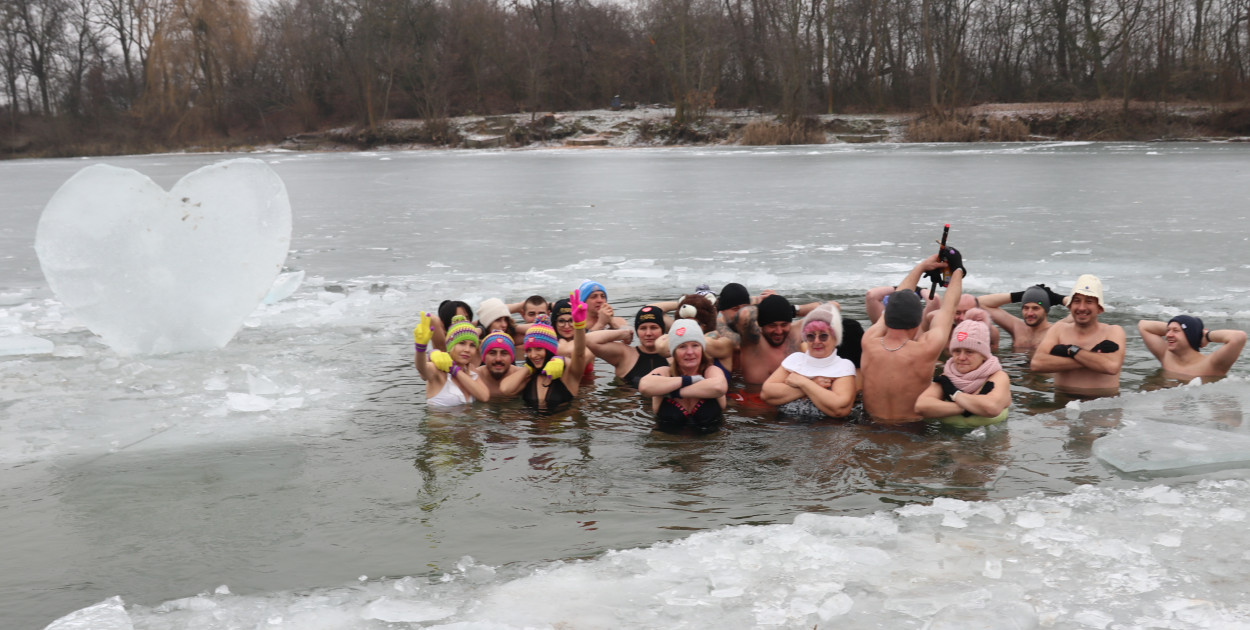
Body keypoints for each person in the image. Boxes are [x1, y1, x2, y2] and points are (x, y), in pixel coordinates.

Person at [860, 250, 964, 422]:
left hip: (869, 427)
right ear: (917, 322)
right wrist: (958, 269)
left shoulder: (869, 341)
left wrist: (921, 267)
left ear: (886, 317)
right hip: (912, 431)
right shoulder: (925, 348)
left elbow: (897, 298)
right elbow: (949, 307)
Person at [1030, 274, 1126, 397]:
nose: (1081, 307)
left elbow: (1111, 367)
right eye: (1077, 301)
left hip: (1103, 403)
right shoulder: (1058, 329)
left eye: (1089, 301)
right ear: (1070, 306)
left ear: (1100, 308)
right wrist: (1092, 355)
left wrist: (1071, 350)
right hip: (1063, 402)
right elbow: (1037, 363)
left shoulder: (1113, 331)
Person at [760, 303, 857, 418]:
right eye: (811, 336)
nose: (816, 341)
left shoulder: (843, 366)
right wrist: (813, 384)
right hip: (784, 427)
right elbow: (766, 393)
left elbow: (839, 408)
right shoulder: (795, 359)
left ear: (835, 338)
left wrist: (803, 382)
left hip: (825, 428)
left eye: (823, 336)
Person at [915, 308, 1011, 421]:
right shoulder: (948, 376)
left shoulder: (998, 376)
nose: (961, 357)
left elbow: (992, 407)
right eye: (957, 351)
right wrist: (968, 408)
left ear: (984, 355)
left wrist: (954, 394)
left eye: (969, 352)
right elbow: (921, 406)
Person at [501, 291, 590, 411]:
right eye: (529, 350)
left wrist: (579, 325)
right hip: (530, 423)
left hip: (563, 423)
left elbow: (579, 354)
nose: (533, 355)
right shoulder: (528, 375)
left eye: (539, 349)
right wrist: (528, 368)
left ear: (549, 349)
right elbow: (505, 389)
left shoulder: (567, 372)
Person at [638, 319, 729, 433]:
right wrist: (689, 380)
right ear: (673, 352)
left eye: (695, 345)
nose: (690, 352)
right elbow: (644, 386)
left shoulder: (711, 371)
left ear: (702, 349)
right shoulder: (665, 373)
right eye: (682, 346)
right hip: (667, 443)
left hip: (712, 443)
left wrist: (674, 393)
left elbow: (719, 387)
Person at [414, 313, 490, 406]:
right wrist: (421, 348)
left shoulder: (471, 370)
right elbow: (422, 368)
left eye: (472, 345)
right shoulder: (438, 369)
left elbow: (484, 397)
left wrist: (455, 370)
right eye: (462, 343)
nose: (467, 349)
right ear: (451, 345)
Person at [1137, 315, 1247, 379]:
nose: (1168, 335)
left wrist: (1207, 336)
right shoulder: (1167, 355)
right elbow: (1143, 325)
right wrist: (1175, 327)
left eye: (1176, 331)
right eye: (1168, 330)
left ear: (1191, 335)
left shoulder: (1211, 364)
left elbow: (1239, 337)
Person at [585, 305, 670, 387]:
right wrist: (622, 333)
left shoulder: (672, 355)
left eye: (654, 328)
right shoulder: (625, 355)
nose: (648, 333)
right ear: (637, 331)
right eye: (643, 328)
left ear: (662, 330)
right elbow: (589, 339)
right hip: (629, 396)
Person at [976, 284, 1067, 351]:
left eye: (1035, 308)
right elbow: (980, 303)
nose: (1029, 313)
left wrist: (1058, 298)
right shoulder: (1017, 328)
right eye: (1026, 308)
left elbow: (1076, 311)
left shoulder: (1056, 331)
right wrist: (1022, 295)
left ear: (1046, 311)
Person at [551, 296, 597, 383]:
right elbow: (571, 351)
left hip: (587, 390)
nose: (567, 326)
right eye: (561, 321)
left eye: (571, 320)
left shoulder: (588, 338)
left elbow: (583, 354)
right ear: (554, 323)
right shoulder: (549, 342)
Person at [475, 330, 528, 399]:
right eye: (492, 353)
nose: (498, 359)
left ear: (511, 358)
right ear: (483, 357)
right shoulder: (474, 376)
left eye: (504, 353)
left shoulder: (524, 377)